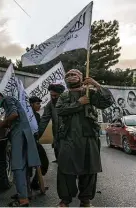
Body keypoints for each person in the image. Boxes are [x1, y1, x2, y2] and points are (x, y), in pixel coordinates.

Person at [55, 69, 114, 207]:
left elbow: (107, 101)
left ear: (82, 77)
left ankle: (85, 200)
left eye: (74, 74)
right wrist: (79, 103)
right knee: (65, 170)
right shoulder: (64, 96)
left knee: (89, 170)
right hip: (68, 138)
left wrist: (96, 84)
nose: (71, 76)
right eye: (68, 75)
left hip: (88, 138)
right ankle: (65, 200)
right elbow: (60, 110)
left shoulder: (90, 93)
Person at [0, 92, 41, 207]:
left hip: (19, 134)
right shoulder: (12, 100)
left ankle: (23, 199)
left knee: (18, 166)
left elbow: (14, 115)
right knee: (25, 166)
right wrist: (3, 124)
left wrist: (0, 124)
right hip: (24, 133)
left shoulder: (7, 100)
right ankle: (26, 193)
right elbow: (13, 119)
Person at [37, 83, 65, 163]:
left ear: (61, 94)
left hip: (68, 134)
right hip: (56, 132)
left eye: (55, 96)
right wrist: (37, 135)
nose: (53, 97)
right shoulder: (50, 104)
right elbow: (44, 120)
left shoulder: (68, 102)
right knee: (56, 147)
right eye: (51, 95)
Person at [28, 96, 49, 191]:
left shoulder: (36, 115)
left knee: (43, 162)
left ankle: (35, 182)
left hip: (35, 142)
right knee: (28, 165)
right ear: (31, 104)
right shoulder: (26, 115)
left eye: (40, 104)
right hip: (27, 143)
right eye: (37, 103)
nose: (39, 106)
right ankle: (27, 187)